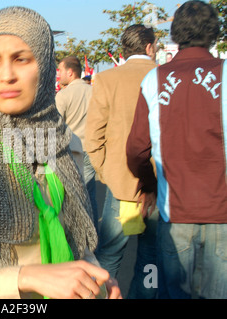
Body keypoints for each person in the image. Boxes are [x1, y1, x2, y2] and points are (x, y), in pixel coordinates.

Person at [0, 6, 121, 299]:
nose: (7, 75)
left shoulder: (66, 145)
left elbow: (77, 243)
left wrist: (95, 278)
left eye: (21, 59)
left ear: (45, 66)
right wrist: (27, 278)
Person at [126, 0, 227, 299]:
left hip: (174, 213)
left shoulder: (153, 79)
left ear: (174, 34)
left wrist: (149, 184)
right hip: (221, 211)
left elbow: (136, 149)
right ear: (214, 33)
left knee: (174, 293)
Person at [84, 24, 158, 298]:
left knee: (110, 255)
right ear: (150, 47)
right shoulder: (163, 76)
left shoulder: (106, 79)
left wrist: (106, 173)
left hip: (121, 185)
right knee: (151, 256)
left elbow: (93, 137)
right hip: (159, 184)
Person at [55, 56, 97, 229]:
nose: (58, 74)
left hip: (73, 152)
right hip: (93, 150)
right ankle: (93, 235)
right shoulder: (95, 92)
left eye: (60, 70)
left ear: (70, 72)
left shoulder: (63, 95)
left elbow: (55, 127)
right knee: (90, 196)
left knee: (73, 197)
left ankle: (80, 238)